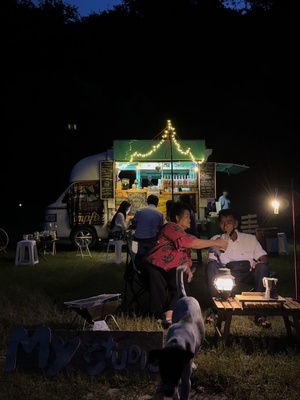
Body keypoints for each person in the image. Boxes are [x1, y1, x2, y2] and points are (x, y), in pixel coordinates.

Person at [141, 201, 228, 328]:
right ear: (177, 217)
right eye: (187, 216)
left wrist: (187, 266)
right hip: (155, 263)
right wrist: (216, 243)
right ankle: (158, 312)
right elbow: (187, 243)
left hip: (172, 267)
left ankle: (169, 314)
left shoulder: (186, 235)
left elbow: (185, 256)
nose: (190, 219)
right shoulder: (170, 227)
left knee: (180, 278)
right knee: (156, 275)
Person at [205, 209, 271, 328]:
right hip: (225, 276)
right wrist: (217, 245)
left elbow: (264, 257)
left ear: (236, 224)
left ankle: (259, 313)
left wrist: (258, 261)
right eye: (222, 223)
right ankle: (217, 310)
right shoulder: (216, 239)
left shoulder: (249, 239)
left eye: (229, 222)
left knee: (263, 268)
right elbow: (211, 261)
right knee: (211, 266)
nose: (225, 226)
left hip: (247, 272)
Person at [129, 194, 165, 263]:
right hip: (152, 240)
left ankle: (136, 267)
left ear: (147, 202)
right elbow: (161, 228)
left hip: (138, 239)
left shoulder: (140, 211)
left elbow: (134, 223)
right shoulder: (160, 214)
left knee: (138, 256)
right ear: (157, 203)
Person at [179, 193, 202, 267]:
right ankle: (196, 260)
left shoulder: (186, 211)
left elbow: (186, 226)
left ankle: (185, 260)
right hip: (194, 232)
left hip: (189, 233)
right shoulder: (191, 209)